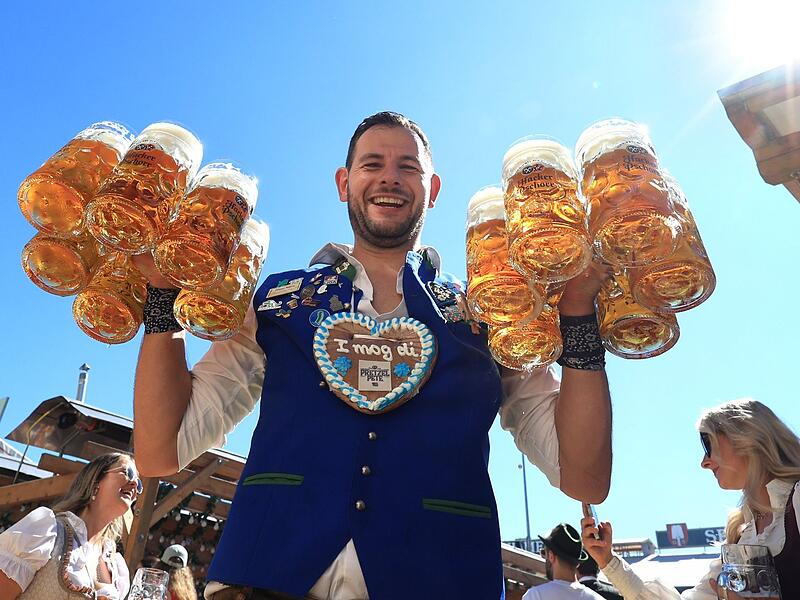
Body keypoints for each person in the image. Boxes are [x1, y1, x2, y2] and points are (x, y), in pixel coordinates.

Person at [132, 111, 613, 599]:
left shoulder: (490, 313)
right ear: (344, 182)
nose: (389, 177)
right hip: (263, 580)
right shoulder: (275, 302)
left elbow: (585, 476)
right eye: (372, 164)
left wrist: (577, 315)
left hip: (441, 579)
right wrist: (162, 297)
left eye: (408, 166)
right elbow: (158, 451)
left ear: (434, 188)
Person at [580, 398, 800, 599]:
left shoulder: (797, 499)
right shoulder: (740, 533)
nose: (704, 462)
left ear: (745, 437)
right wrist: (608, 561)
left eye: (707, 444)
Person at [0, 452, 139, 599]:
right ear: (95, 480)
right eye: (127, 472)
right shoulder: (48, 530)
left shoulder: (115, 565)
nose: (135, 484)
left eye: (139, 483)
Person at [522, 523, 603, 600]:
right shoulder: (597, 598)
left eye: (544, 553)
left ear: (551, 556)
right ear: (578, 563)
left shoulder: (535, 596)